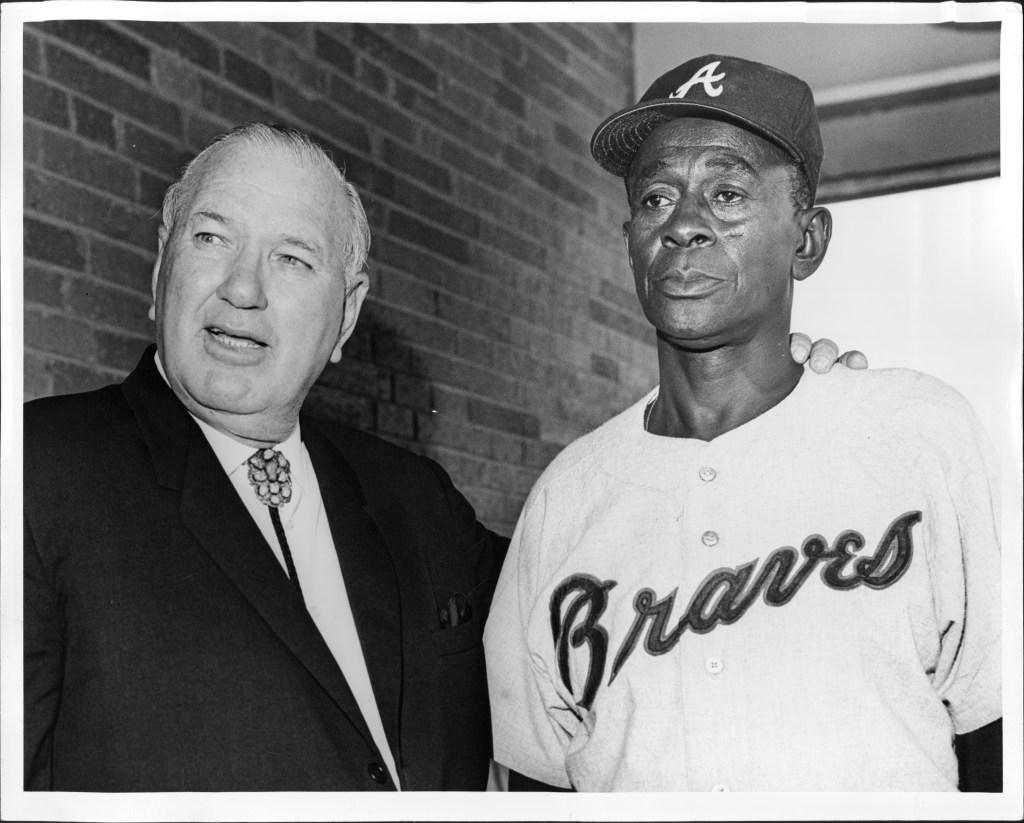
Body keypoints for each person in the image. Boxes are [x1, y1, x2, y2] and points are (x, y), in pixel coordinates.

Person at [23, 122, 856, 792]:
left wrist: (770, 413)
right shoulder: (36, 474)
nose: (243, 287)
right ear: (158, 269)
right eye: (211, 238)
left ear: (346, 316)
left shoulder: (410, 498)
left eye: (292, 258)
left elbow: (613, 596)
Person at [483, 55, 1002, 793]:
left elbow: (999, 727)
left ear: (808, 239)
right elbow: (537, 781)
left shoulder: (918, 434)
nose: (685, 225)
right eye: (657, 198)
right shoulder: (565, 500)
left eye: (728, 192)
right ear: (629, 239)